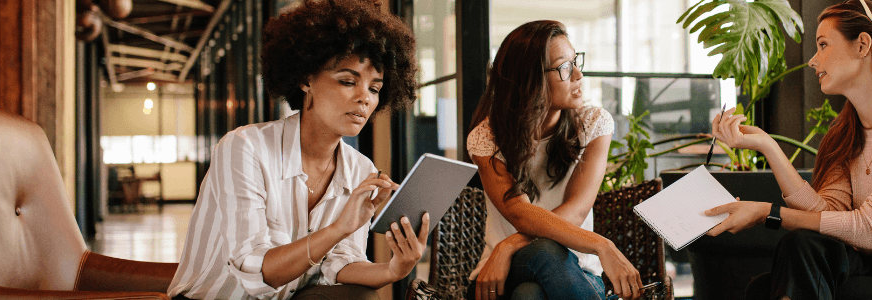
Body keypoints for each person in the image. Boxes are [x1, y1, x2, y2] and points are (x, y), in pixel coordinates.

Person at [704, 1, 872, 299]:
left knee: (841, 292)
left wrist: (768, 213)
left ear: (862, 45)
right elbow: (826, 216)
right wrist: (768, 146)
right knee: (782, 266)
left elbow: (871, 229)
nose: (812, 61)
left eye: (823, 45)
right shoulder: (845, 132)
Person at [166, 0, 428, 299]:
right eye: (347, 81)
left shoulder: (360, 169)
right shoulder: (244, 147)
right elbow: (255, 272)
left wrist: (394, 270)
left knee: (363, 296)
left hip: (291, 297)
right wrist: (338, 228)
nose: (364, 98)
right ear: (306, 79)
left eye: (374, 89)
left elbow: (339, 263)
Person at [465, 20, 643, 300]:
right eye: (564, 66)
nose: (578, 74)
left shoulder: (593, 124)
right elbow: (521, 214)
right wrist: (602, 245)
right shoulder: (486, 138)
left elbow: (576, 211)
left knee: (530, 295)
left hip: (578, 272)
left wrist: (508, 244)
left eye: (575, 61)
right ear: (530, 79)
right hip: (503, 275)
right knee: (543, 253)